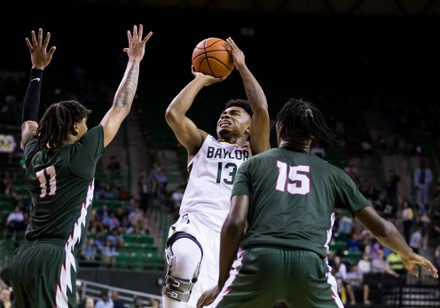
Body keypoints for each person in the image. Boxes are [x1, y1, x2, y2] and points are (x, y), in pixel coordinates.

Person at [196, 98, 438, 308]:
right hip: (310, 266)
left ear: (278, 128)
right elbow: (382, 228)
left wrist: (221, 282)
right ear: (312, 135)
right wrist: (407, 253)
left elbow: (234, 223)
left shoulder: (253, 164)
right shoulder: (334, 175)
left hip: (259, 261)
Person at [10, 26, 153, 308]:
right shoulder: (81, 154)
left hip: (24, 257)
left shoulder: (35, 156)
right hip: (54, 256)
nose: (89, 126)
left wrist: (37, 71)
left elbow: (28, 122)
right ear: (75, 127)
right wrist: (134, 61)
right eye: (85, 122)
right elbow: (121, 106)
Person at [162, 37, 270, 308]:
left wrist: (242, 67)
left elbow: (261, 109)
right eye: (223, 113)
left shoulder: (256, 152)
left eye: (234, 114)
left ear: (249, 127)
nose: (225, 116)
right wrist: (201, 78)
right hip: (195, 223)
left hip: (231, 240)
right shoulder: (202, 143)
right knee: (184, 256)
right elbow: (173, 114)